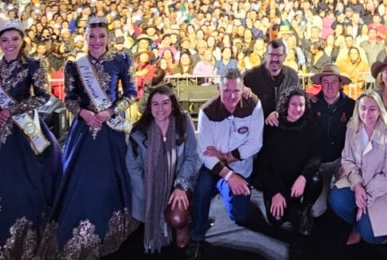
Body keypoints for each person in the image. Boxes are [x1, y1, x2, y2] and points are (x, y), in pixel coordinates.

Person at [0, 19, 61, 258]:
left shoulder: (35, 64)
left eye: (15, 39)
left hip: (24, 128)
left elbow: (41, 97)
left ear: (22, 40)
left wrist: (12, 110)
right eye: (4, 40)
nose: (10, 44)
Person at [51, 16, 138, 255]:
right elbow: (69, 98)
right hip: (84, 129)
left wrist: (111, 111)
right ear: (85, 38)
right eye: (91, 36)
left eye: (101, 36)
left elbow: (131, 93)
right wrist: (82, 112)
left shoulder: (121, 60)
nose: (96, 41)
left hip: (111, 129)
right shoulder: (74, 65)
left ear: (108, 37)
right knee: (81, 181)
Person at [188, 67, 263, 260]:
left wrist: (227, 156)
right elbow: (205, 153)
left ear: (243, 89)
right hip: (214, 167)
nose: (231, 96)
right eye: (227, 90)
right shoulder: (207, 111)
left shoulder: (254, 104)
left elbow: (256, 142)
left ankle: (226, 190)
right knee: (202, 190)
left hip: (239, 164)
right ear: (218, 89)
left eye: (236, 91)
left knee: (241, 217)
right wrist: (229, 176)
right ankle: (196, 235)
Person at [126, 84, 201, 255]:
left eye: (165, 103)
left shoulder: (184, 122)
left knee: (176, 217)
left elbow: (192, 156)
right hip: (150, 186)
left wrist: (181, 185)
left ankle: (182, 225)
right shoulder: (139, 130)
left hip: (180, 182)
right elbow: (132, 165)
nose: (160, 109)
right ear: (149, 107)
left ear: (173, 104)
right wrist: (145, 192)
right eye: (155, 104)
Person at [329, 91, 387, 246]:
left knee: (370, 235)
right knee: (336, 199)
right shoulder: (352, 128)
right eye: (363, 108)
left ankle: (386, 233)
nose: (367, 113)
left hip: (385, 188)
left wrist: (365, 196)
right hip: (361, 181)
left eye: (372, 109)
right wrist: (357, 185)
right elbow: (347, 158)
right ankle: (357, 225)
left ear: (380, 110)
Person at [254, 87, 322, 234]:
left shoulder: (311, 125)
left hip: (299, 180)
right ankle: (288, 205)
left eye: (301, 105)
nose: (297, 109)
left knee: (316, 179)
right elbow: (263, 165)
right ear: (285, 104)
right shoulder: (272, 126)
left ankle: (305, 210)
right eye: (293, 104)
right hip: (278, 182)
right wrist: (275, 192)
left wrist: (303, 177)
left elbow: (316, 156)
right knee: (277, 220)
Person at [307, 63, 355, 218]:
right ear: (320, 84)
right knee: (315, 211)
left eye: (334, 82)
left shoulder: (352, 105)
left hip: (342, 160)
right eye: (325, 82)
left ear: (341, 84)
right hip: (319, 163)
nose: (329, 86)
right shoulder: (309, 104)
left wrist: (349, 163)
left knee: (346, 198)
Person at [243, 38, 301, 127]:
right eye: (271, 55)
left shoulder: (292, 76)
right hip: (259, 130)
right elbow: (229, 85)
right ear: (265, 55)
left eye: (278, 55)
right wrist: (242, 88)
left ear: (285, 57)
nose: (274, 59)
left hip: (284, 129)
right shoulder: (250, 75)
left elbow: (299, 100)